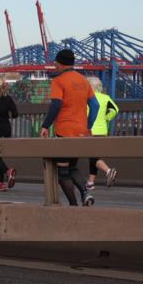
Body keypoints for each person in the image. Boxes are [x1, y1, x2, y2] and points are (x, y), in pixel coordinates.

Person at [39, 49, 100, 207]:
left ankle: (73, 205)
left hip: (64, 132)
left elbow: (56, 104)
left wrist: (45, 125)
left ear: (59, 64)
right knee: (72, 166)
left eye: (56, 64)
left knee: (63, 171)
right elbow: (95, 106)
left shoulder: (58, 81)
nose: (55, 66)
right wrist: (88, 126)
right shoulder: (83, 80)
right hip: (81, 132)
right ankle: (85, 192)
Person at [86, 77, 119, 190]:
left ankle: (108, 170)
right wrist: (106, 118)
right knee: (94, 156)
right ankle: (90, 183)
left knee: (93, 156)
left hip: (90, 130)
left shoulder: (88, 98)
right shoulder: (106, 98)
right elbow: (115, 109)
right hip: (103, 131)